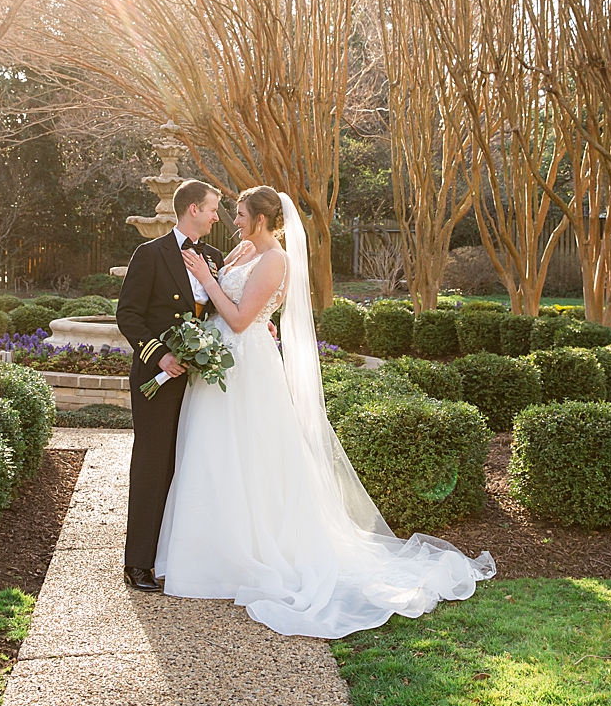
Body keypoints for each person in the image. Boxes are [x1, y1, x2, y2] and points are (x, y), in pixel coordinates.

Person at [157, 185, 494, 637]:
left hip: (247, 367)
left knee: (249, 455)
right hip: (221, 364)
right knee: (211, 454)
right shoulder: (241, 249)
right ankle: (205, 552)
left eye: (239, 214)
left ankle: (251, 553)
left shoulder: (276, 259)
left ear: (260, 219)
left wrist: (207, 276)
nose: (233, 221)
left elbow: (239, 318)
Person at [115, 179, 227, 593]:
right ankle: (139, 563)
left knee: (191, 467)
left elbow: (220, 311)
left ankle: (178, 558)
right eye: (213, 208)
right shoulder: (149, 253)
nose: (217, 216)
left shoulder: (213, 257)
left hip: (200, 382)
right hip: (158, 378)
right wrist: (160, 354)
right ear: (192, 209)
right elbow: (128, 315)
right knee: (153, 464)